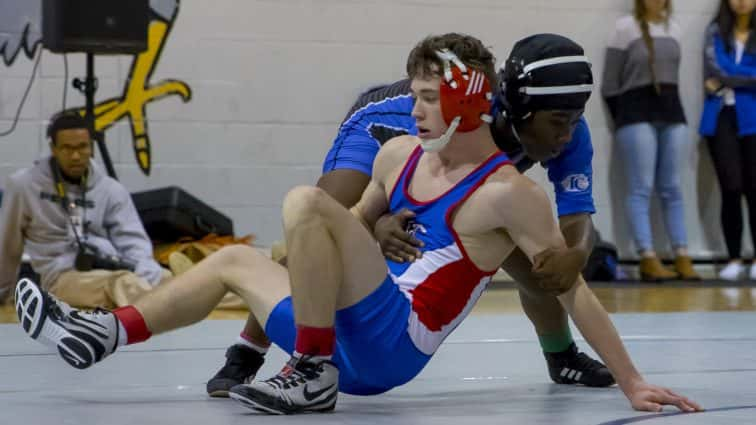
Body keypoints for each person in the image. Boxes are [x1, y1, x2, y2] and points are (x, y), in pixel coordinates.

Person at [15, 32, 701, 416]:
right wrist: (369, 233)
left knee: (306, 207)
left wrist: (633, 378)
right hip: (352, 324)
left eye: (426, 97)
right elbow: (344, 230)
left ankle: (309, 368)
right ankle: (107, 333)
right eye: (414, 96)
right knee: (240, 258)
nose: (411, 106)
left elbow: (569, 283)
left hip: (389, 343)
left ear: (465, 105)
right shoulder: (399, 144)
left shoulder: (509, 191)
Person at [206, 33, 614, 397]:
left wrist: (576, 254)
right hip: (383, 129)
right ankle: (248, 348)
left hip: (457, 177)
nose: (566, 134)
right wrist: (377, 220)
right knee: (319, 229)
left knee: (542, 267)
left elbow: (576, 214)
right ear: (518, 112)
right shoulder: (439, 113)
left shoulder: (567, 127)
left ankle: (561, 355)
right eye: (558, 122)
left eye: (572, 119)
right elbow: (383, 196)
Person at [0, 112, 168, 308]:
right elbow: (7, 245)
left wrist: (147, 272)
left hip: (109, 265)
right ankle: (160, 318)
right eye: (67, 148)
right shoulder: (24, 186)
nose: (76, 156)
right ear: (53, 149)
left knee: (167, 279)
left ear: (91, 147)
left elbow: (134, 243)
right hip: (61, 277)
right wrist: (3, 293)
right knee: (123, 284)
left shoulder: (110, 189)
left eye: (82, 147)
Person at [601, 0, 699, 281]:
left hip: (671, 112)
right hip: (635, 114)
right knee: (640, 186)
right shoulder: (624, 28)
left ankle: (681, 253)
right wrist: (623, 117)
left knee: (672, 187)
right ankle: (647, 256)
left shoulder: (674, 29)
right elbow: (610, 83)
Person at [699, 0, 756, 281]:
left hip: (753, 117)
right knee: (731, 187)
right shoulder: (714, 32)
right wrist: (746, 78)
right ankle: (733, 257)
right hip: (720, 116)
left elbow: (720, 77)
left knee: (755, 189)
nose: (742, 1)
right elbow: (714, 69)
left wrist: (726, 80)